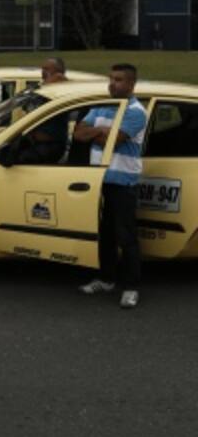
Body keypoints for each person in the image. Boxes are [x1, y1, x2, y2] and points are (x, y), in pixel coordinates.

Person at [73, 64, 148, 309]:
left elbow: (112, 141)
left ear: (131, 84)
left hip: (123, 182)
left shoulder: (135, 112)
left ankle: (131, 287)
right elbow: (78, 134)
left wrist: (97, 133)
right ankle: (106, 279)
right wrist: (100, 131)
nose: (112, 83)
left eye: (118, 79)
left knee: (126, 236)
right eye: (111, 78)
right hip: (99, 181)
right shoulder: (102, 105)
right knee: (105, 234)